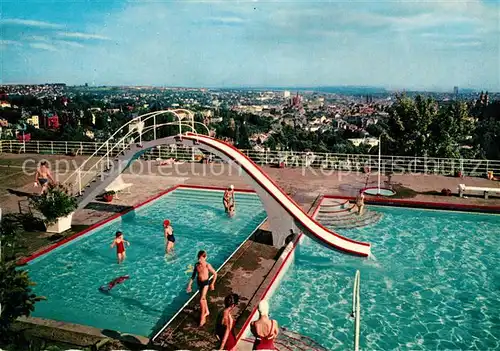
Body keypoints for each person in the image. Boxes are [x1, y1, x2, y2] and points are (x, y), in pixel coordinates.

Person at [186, 250, 217, 327]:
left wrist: (212, 283)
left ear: (205, 257)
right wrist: (189, 285)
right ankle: (207, 312)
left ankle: (202, 318)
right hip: (199, 283)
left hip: (206, 283)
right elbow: (193, 276)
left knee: (201, 299)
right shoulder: (196, 265)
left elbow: (215, 274)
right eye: (198, 258)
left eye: (201, 258)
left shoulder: (207, 265)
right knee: (203, 299)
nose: (199, 260)